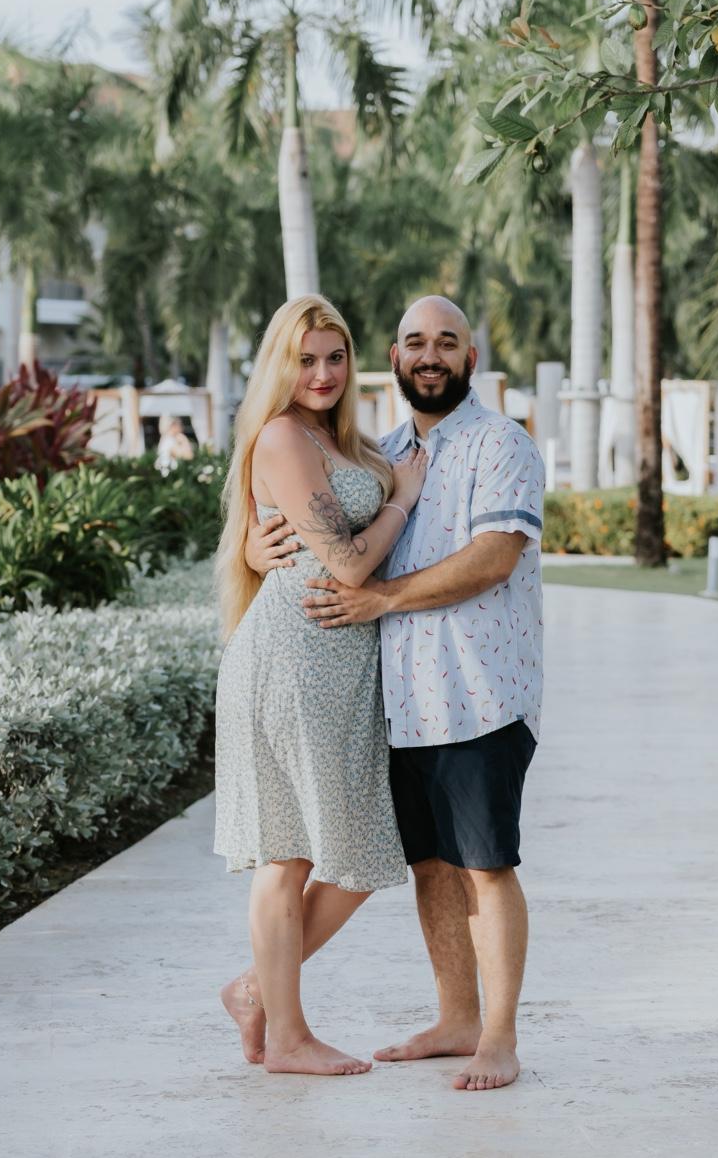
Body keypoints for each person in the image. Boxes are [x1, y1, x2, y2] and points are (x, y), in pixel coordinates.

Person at [248, 296, 545, 1092]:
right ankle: (455, 1019)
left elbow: (494, 557)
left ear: (470, 359)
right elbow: (308, 517)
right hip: (400, 701)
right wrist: (253, 539)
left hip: (479, 693)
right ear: (394, 357)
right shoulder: (380, 451)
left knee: (486, 866)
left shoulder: (500, 443)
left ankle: (498, 1039)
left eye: (447, 342)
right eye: (416, 342)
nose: (430, 355)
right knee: (431, 867)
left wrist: (380, 598)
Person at [212, 294, 428, 1077]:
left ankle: (255, 992)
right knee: (290, 853)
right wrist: (400, 498)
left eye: (336, 357)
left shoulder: (338, 439)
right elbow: (346, 562)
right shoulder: (281, 435)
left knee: (358, 848)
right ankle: (287, 1037)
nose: (324, 373)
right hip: (291, 662)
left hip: (339, 667)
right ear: (282, 365)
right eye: (306, 360)